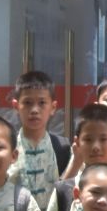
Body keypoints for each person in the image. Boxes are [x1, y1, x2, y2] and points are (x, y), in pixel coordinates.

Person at [8, 70, 68, 202]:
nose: (34, 110)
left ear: (53, 107)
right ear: (16, 106)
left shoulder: (63, 148)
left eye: (42, 103)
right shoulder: (7, 147)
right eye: (28, 103)